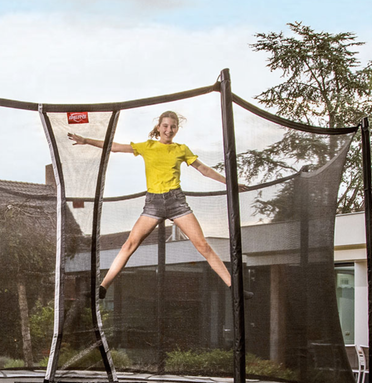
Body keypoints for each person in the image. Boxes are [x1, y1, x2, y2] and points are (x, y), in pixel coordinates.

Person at [68, 110, 244, 298]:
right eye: (166, 126)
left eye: (173, 126)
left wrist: (230, 182)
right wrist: (86, 140)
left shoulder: (181, 149)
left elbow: (204, 169)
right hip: (153, 204)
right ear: (159, 127)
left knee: (203, 245)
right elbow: (115, 147)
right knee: (129, 244)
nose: (169, 130)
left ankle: (234, 288)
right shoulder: (148, 146)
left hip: (177, 202)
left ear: (177, 129)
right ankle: (103, 288)